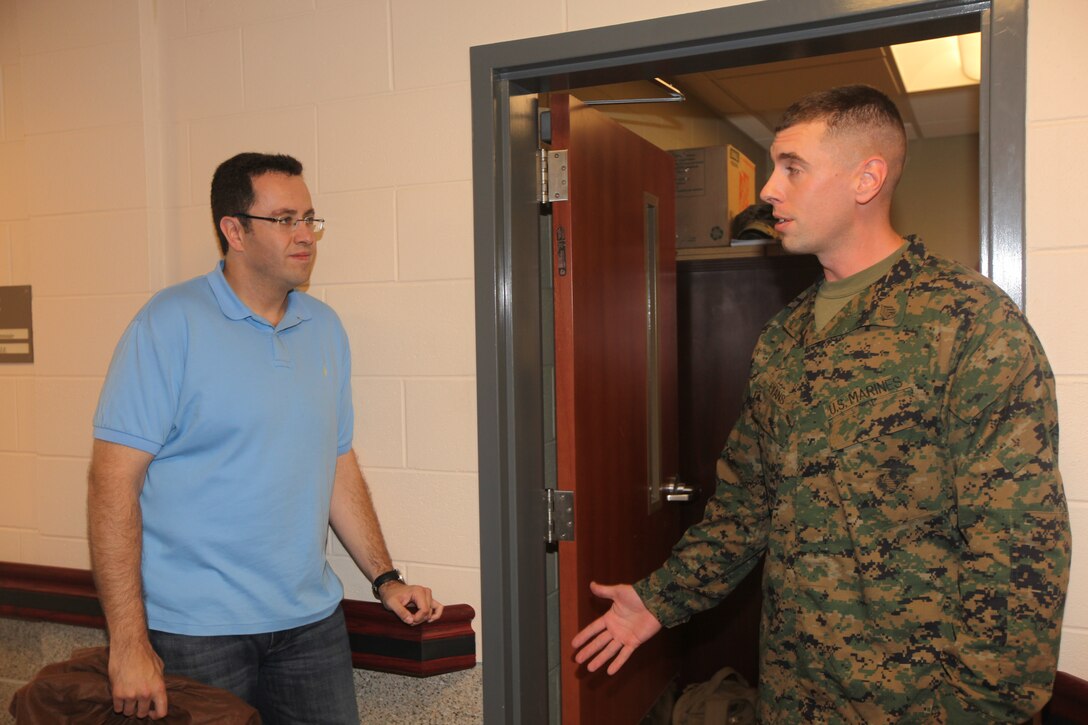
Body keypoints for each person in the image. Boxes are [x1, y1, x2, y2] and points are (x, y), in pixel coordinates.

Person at [572, 85, 1071, 722]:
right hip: (791, 692)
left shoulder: (968, 323)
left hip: (918, 705)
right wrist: (660, 600)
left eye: (792, 167)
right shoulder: (785, 337)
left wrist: (978, 711)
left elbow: (1019, 546)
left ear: (867, 178)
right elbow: (744, 509)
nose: (769, 190)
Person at [87, 152, 442, 724]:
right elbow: (111, 486)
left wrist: (385, 578)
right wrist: (128, 643)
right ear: (235, 230)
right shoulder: (168, 322)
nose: (305, 236)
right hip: (195, 634)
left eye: (309, 219)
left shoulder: (324, 328)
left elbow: (336, 462)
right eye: (285, 220)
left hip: (309, 626)